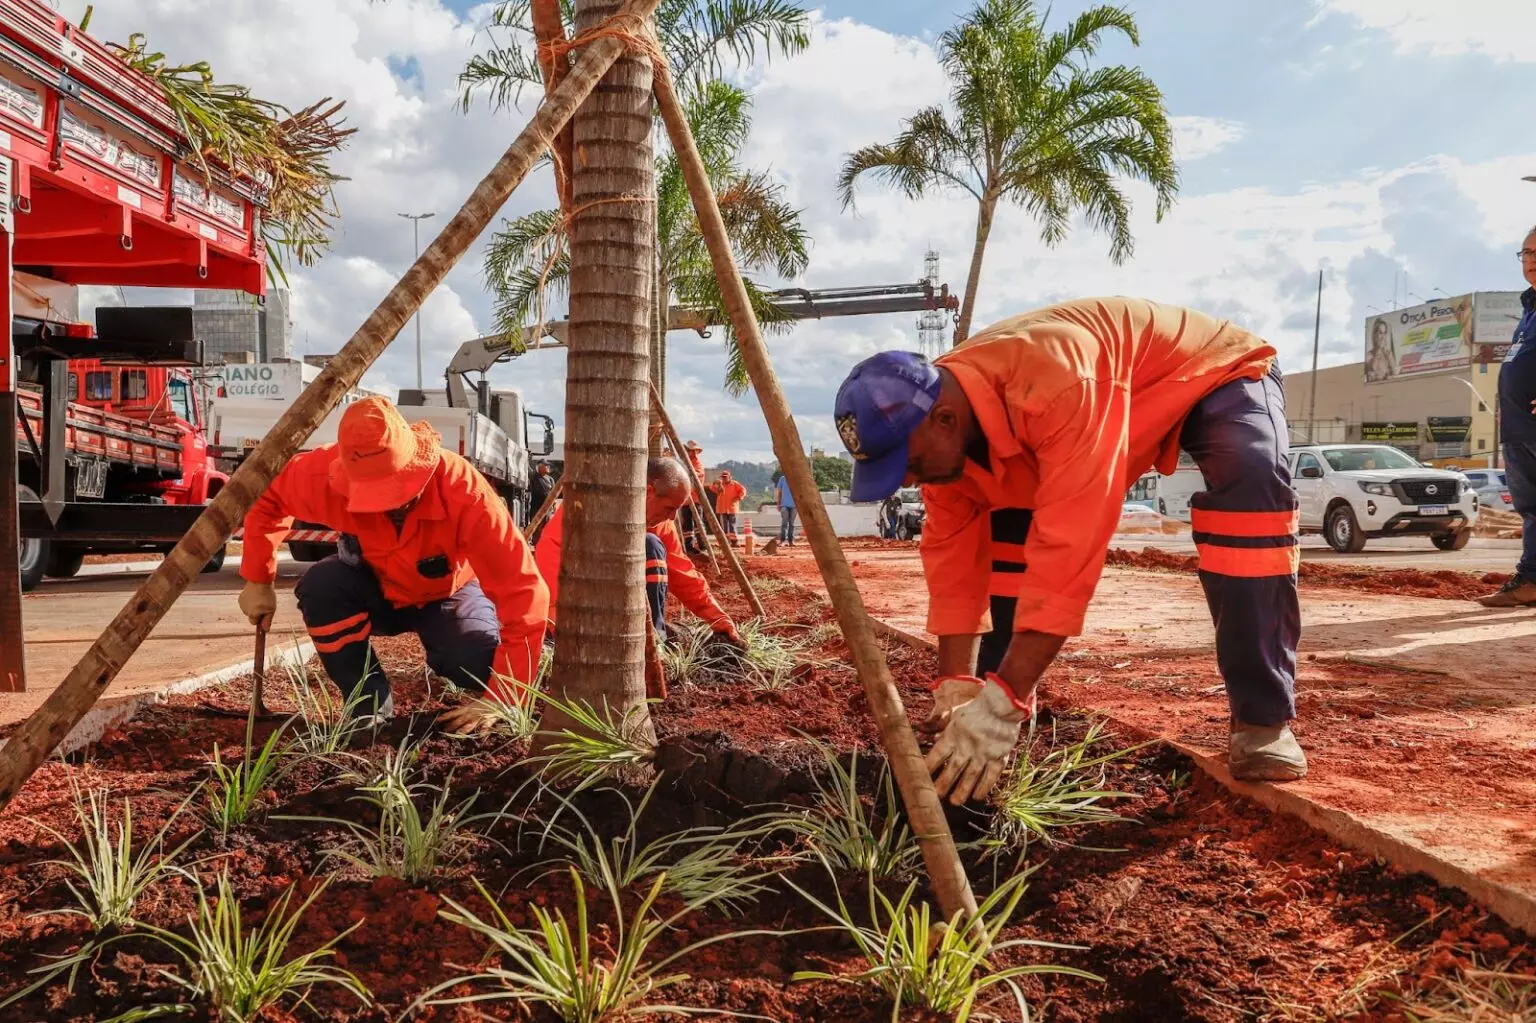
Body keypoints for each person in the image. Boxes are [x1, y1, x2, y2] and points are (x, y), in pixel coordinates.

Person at [834, 297, 1306, 803]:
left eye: (910, 462)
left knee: (1251, 491)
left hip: (1209, 375)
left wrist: (1002, 702)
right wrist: (957, 684)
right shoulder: (943, 427)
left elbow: (1071, 546)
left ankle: (1262, 719)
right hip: (1093, 408)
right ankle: (1001, 718)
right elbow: (954, 564)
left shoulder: (1055, 382)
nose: (907, 479)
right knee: (1007, 543)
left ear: (947, 420)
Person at [237, 397, 549, 733]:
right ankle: (365, 704)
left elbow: (524, 591)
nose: (390, 507)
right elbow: (265, 496)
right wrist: (257, 578)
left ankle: (494, 679)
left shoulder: (462, 490)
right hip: (374, 587)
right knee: (322, 586)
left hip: (448, 593)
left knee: (472, 660)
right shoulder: (321, 474)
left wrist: (504, 696)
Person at [1480, 227, 1536, 607]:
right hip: (1518, 432)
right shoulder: (1528, 310)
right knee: (1532, 509)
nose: (1531, 260)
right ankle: (1531, 581)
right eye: (1526, 253)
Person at [680, 440, 707, 553]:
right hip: (685, 499)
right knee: (687, 523)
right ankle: (689, 545)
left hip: (695, 498)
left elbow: (697, 474)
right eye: (691, 451)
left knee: (698, 522)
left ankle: (702, 544)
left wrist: (686, 472)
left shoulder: (697, 463)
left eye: (694, 451)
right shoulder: (684, 462)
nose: (693, 453)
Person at [713, 470, 746, 540]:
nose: (724, 478)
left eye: (725, 477)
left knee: (732, 525)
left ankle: (734, 541)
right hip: (722, 509)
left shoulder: (734, 484)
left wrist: (739, 497)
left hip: (732, 508)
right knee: (724, 526)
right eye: (723, 477)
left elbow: (743, 490)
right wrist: (714, 483)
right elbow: (713, 489)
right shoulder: (720, 485)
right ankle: (726, 541)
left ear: (729, 477)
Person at [775, 470, 797, 545]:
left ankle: (791, 541)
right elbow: (779, 492)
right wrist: (778, 504)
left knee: (792, 523)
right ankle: (782, 540)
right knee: (784, 523)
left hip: (794, 505)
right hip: (784, 505)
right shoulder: (782, 479)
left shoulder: (796, 479)